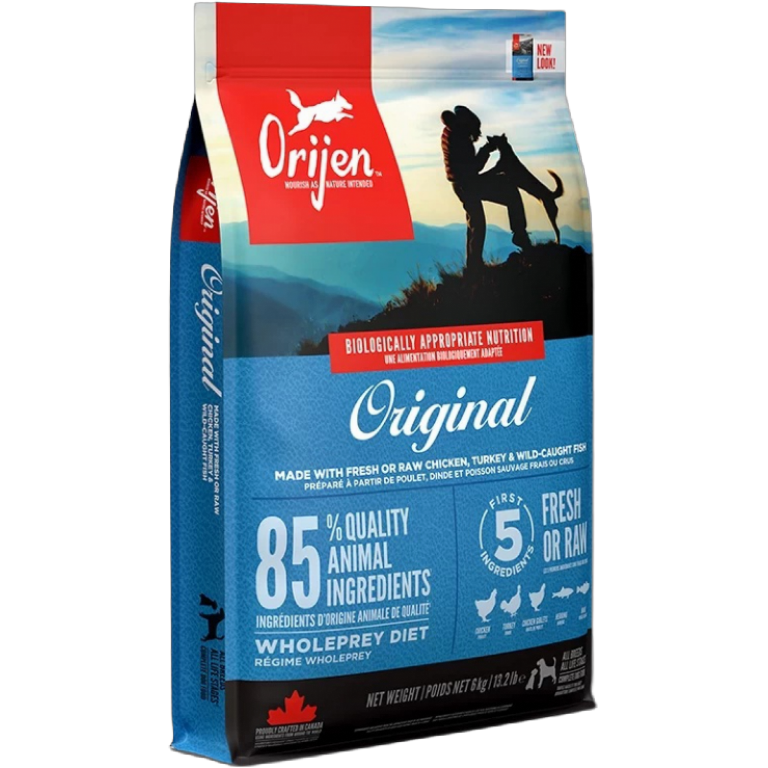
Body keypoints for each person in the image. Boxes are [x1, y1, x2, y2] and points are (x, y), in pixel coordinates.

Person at [441, 106, 533, 274]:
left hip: (461, 183)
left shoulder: (452, 132)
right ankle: (519, 234)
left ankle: (473, 265)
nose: (477, 133)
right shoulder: (459, 137)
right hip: (467, 183)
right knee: (509, 193)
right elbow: (473, 167)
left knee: (475, 222)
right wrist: (487, 150)